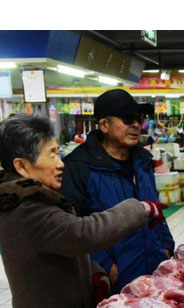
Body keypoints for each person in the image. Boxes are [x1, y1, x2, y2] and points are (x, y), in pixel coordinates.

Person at [0, 115, 167, 308]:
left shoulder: (33, 196)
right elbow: (83, 233)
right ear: (22, 166)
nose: (61, 163)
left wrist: (94, 274)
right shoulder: (27, 209)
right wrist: (140, 208)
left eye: (58, 152)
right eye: (51, 155)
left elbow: (63, 245)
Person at [60, 89, 175, 293]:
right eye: (127, 119)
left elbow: (156, 211)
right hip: (114, 288)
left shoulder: (143, 161)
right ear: (104, 125)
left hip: (154, 278)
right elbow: (71, 229)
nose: (136, 125)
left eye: (138, 119)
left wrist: (166, 246)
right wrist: (106, 267)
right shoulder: (79, 167)